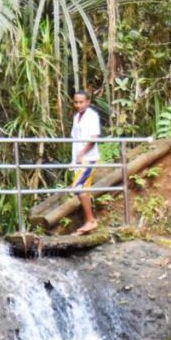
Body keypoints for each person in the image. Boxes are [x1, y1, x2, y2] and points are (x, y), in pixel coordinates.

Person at [69, 89, 102, 236]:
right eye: (76, 102)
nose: (78, 105)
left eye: (81, 102)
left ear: (88, 102)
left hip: (88, 159)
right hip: (79, 160)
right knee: (82, 189)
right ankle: (88, 222)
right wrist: (73, 160)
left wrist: (81, 155)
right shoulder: (77, 118)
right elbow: (75, 141)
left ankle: (91, 221)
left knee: (79, 187)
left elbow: (94, 139)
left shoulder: (92, 116)